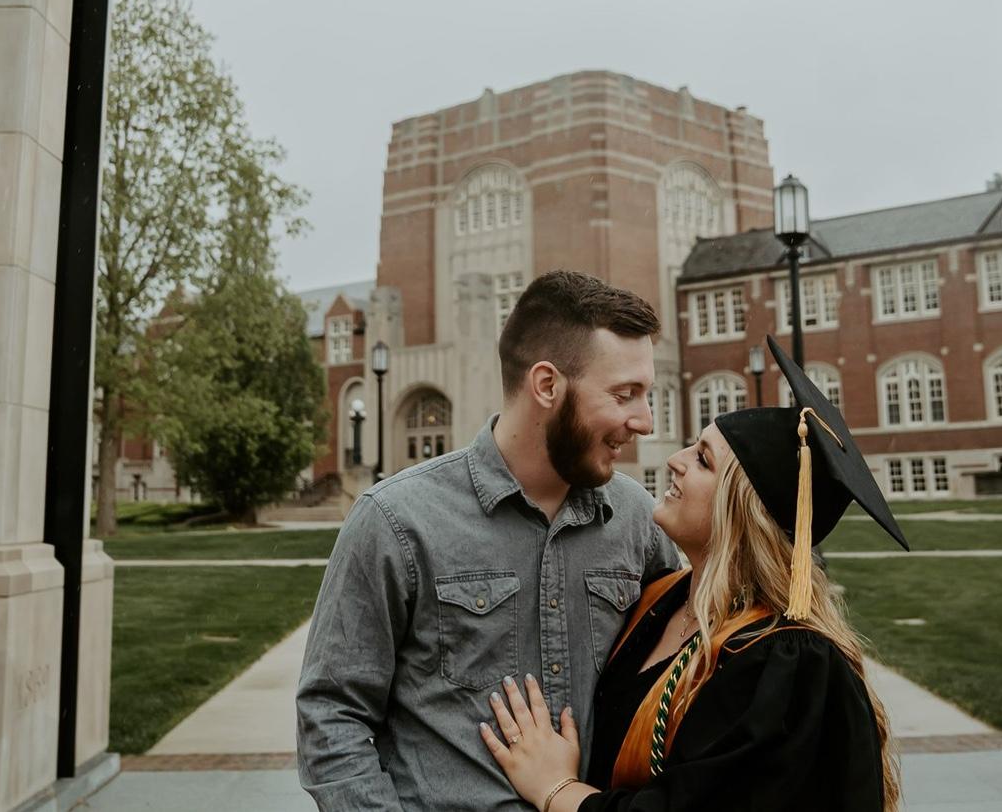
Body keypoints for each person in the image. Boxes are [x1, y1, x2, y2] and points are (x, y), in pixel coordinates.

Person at [296, 270, 681, 811]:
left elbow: (677, 682)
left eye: (647, 395)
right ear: (546, 385)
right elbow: (332, 713)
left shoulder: (637, 518)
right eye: (625, 395)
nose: (644, 421)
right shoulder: (396, 520)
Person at [480, 336, 910, 812]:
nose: (675, 460)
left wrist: (556, 788)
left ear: (741, 512)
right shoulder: (662, 597)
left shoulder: (785, 663)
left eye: (702, 458)